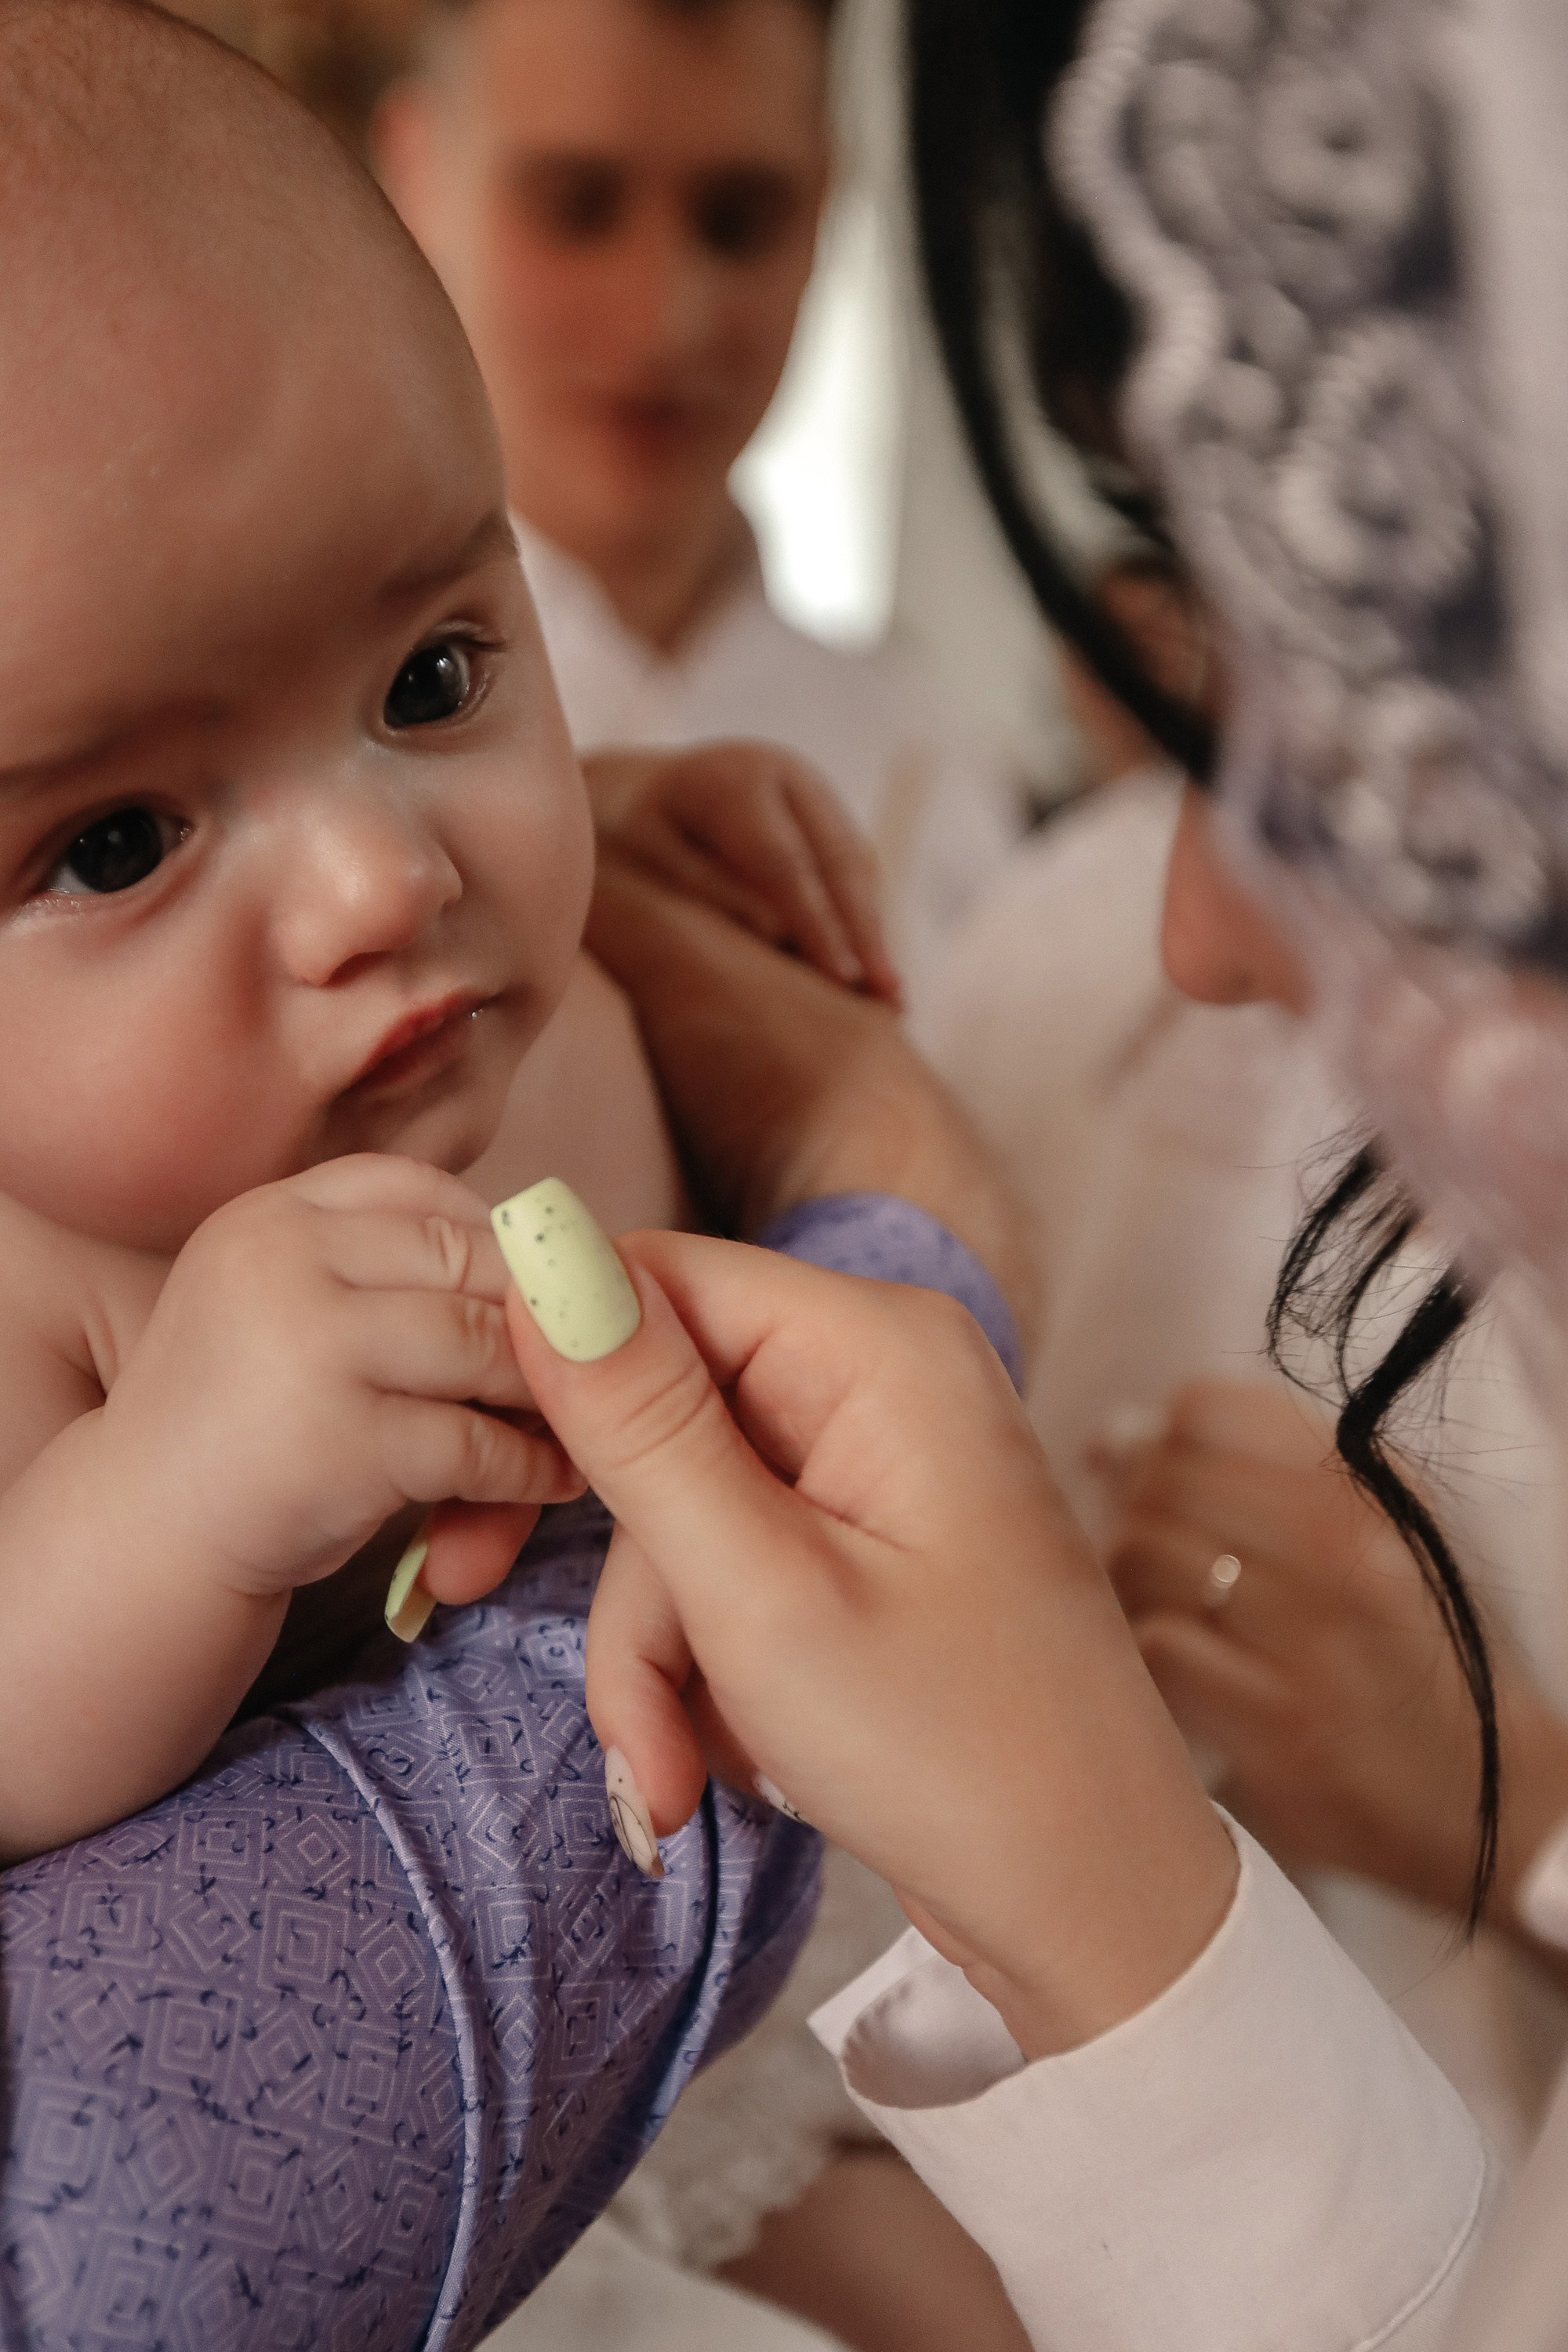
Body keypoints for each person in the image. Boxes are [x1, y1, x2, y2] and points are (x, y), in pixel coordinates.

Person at [474, 0, 1568, 2341]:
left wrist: (1527, 1821)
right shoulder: (1073, 957)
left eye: (1336, 644)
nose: (1199, 915)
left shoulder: (933, 799)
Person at [0, 6, 1029, 2341]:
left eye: (440, 678)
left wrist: (640, 810)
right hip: (423, 2191)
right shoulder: (49, 1267)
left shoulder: (518, 954)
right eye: (123, 840)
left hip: (768, 1971)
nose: (384, 879)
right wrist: (161, 1501)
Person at [372, 0, 1022, 1011]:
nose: (662, 319)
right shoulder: (316, 741)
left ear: (827, 210)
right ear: (416, 174)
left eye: (739, 221)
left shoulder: (936, 769)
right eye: (577, 208)